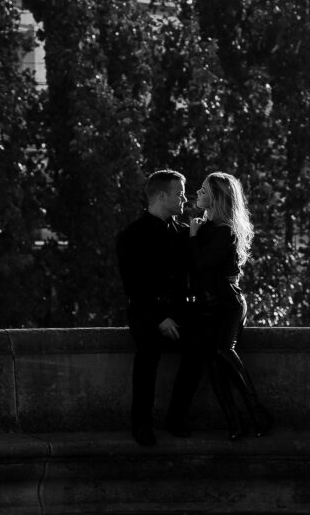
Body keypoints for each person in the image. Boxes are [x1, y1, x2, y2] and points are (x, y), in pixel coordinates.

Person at [166, 170, 274, 441]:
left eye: (203, 191)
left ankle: (257, 411)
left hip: (228, 303)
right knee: (214, 364)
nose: (197, 194)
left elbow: (201, 264)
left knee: (224, 350)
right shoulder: (206, 227)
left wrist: (192, 236)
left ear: (216, 197)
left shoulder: (225, 231)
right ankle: (234, 423)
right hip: (208, 304)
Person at [114, 169, 192, 446]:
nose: (184, 199)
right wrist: (161, 318)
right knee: (147, 358)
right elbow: (134, 287)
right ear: (161, 195)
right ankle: (142, 424)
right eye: (179, 193)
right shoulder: (131, 236)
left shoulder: (183, 233)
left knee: (200, 351)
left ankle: (176, 417)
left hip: (179, 312)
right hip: (146, 314)